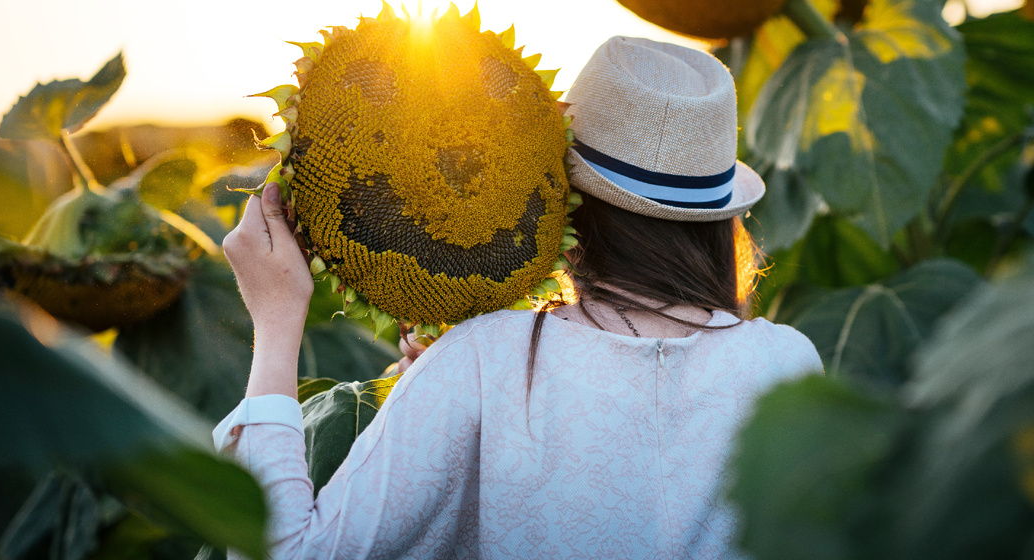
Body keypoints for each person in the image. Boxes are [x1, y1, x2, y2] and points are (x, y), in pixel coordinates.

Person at [215, 36, 823, 559]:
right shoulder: (790, 365)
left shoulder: (487, 359)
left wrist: (276, 320)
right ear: (722, 222)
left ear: (557, 196)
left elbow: (290, 549)